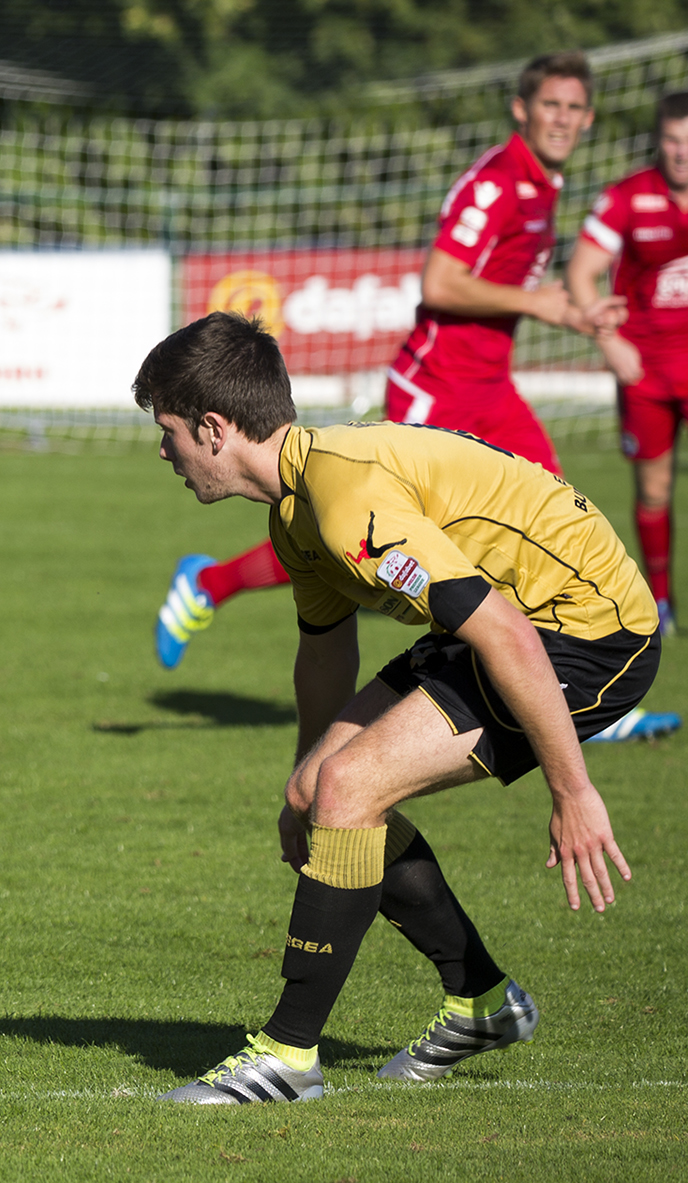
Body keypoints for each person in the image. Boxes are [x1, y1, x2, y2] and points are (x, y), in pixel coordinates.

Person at [138, 312, 658, 1104]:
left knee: (352, 788)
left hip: (588, 629)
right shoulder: (297, 513)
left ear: (214, 429)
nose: (163, 451)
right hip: (510, 619)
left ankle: (287, 1055)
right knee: (327, 790)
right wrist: (301, 782)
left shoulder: (347, 502)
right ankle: (483, 1002)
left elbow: (510, 635)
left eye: (167, 430)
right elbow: (324, 650)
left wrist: (573, 790)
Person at [156, 54, 635, 674]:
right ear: (522, 109)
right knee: (358, 531)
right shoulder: (497, 182)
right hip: (439, 384)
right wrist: (538, 305)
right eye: (550, 104)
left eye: (573, 108)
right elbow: (438, 283)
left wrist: (572, 314)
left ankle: (575, 672)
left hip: (490, 384)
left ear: (589, 117)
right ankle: (211, 584)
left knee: (550, 525)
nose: (561, 119)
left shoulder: (545, 185)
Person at [567, 91, 688, 639]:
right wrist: (608, 340)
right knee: (655, 490)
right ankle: (661, 604)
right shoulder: (628, 197)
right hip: (648, 370)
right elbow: (581, 273)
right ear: (658, 141)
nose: (682, 153)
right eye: (672, 141)